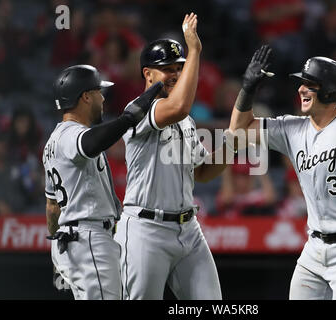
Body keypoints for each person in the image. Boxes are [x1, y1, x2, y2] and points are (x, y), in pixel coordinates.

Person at [229, 46, 336, 300]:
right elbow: (238, 130)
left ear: (330, 90)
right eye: (301, 84)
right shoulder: (292, 128)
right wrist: (247, 89)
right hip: (314, 246)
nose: (301, 89)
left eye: (309, 84)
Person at [114, 13, 228, 300]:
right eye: (167, 68)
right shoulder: (139, 109)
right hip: (146, 230)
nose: (176, 74)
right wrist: (195, 51)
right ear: (147, 74)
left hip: (188, 229)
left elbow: (201, 172)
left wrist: (233, 146)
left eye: (179, 67)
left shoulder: (185, 121)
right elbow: (178, 107)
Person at [43, 64, 162, 300]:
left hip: (76, 238)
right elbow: (93, 143)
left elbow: (52, 207)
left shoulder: (52, 142)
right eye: (99, 92)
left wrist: (58, 246)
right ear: (86, 96)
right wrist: (130, 117)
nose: (103, 99)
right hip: (88, 238)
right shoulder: (70, 134)